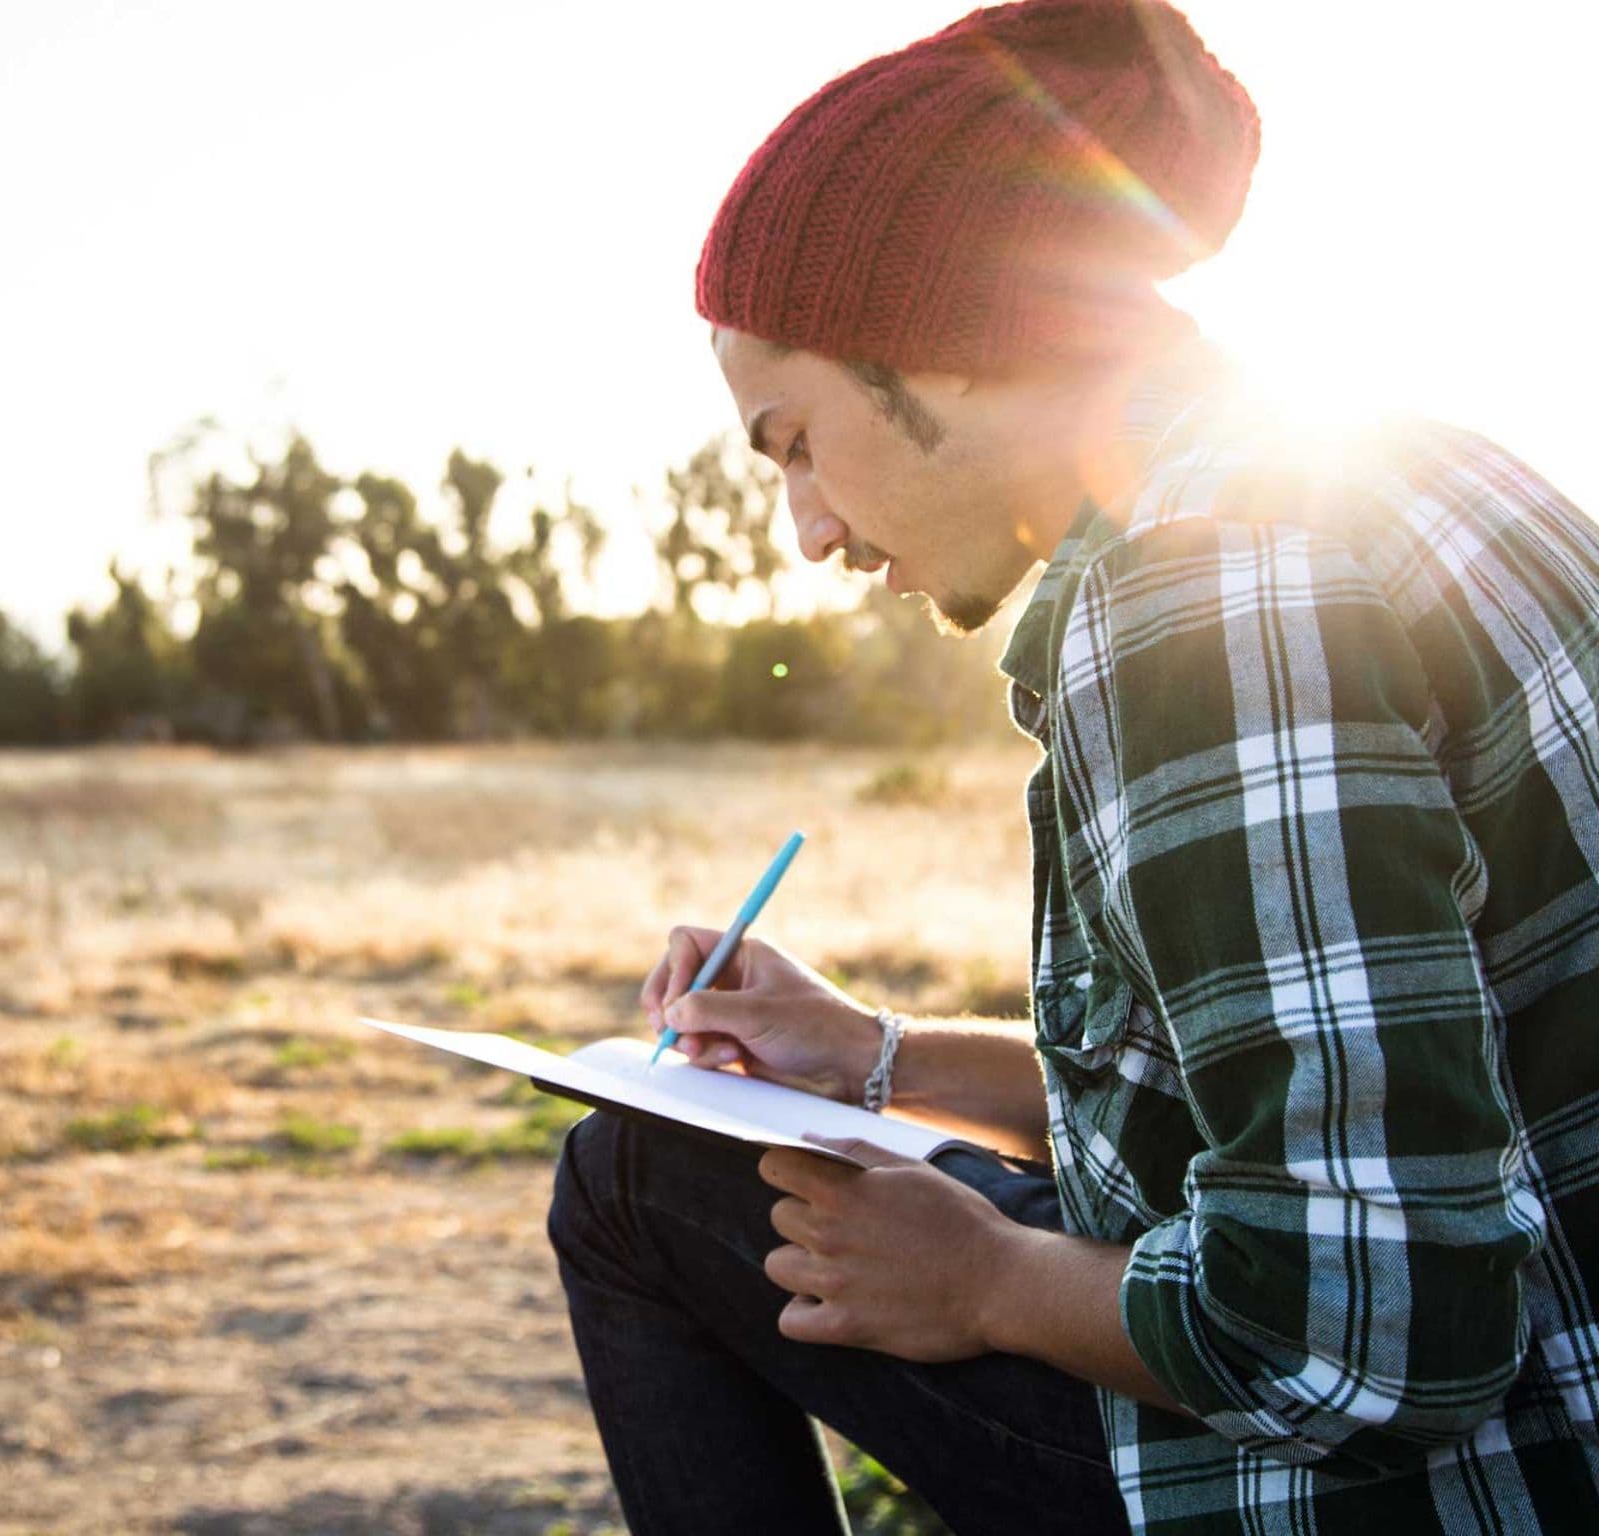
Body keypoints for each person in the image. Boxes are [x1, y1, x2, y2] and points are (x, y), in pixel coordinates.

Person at [545, 1, 1599, 1531]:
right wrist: (877, 1058)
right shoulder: (1421, 475)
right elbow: (1322, 1100)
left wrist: (992, 1283)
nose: (811, 528)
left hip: (1451, 1482)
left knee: (634, 1181)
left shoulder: (1203, 602)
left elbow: (1369, 1335)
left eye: (792, 440)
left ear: (937, 345)